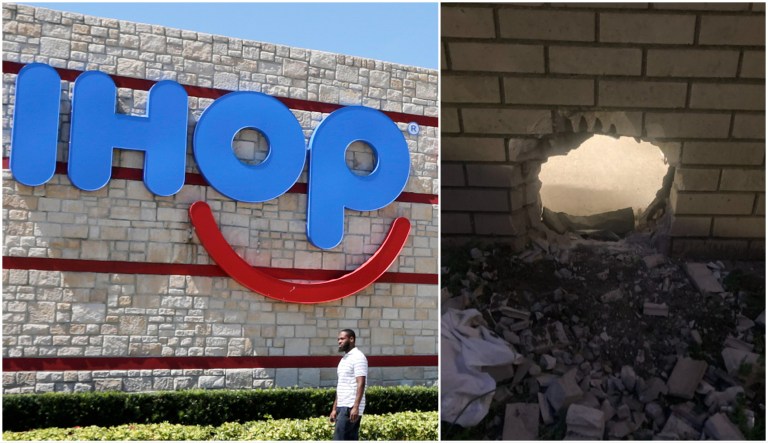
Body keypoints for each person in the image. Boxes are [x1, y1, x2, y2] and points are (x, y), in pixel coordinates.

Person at [329, 329, 368, 440]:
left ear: (351, 339)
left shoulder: (358, 357)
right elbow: (341, 385)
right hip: (342, 406)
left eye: (342, 339)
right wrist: (334, 409)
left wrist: (355, 407)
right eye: (338, 339)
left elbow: (361, 383)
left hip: (350, 406)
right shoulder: (344, 359)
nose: (339, 341)